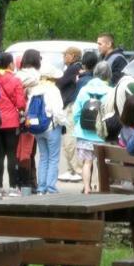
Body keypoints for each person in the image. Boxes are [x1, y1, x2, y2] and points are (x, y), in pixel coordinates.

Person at [23, 62, 65, 195]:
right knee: (53, 158)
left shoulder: (34, 89)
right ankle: (51, 187)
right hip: (51, 126)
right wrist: (64, 122)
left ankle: (41, 187)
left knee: (43, 157)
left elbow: (28, 109)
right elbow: (57, 111)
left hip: (38, 128)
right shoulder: (53, 90)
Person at [72, 62, 112, 193]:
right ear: (108, 75)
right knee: (101, 164)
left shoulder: (84, 90)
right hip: (102, 134)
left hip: (84, 134)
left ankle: (87, 188)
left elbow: (76, 112)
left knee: (87, 163)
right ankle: (100, 187)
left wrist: (79, 124)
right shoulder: (110, 92)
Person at [0, 51, 28, 193]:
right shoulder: (15, 80)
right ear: (10, 64)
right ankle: (13, 187)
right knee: (12, 154)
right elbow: (20, 104)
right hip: (11, 122)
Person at [56, 46, 85, 182]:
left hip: (70, 106)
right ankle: (71, 169)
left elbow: (60, 83)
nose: (63, 56)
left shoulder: (73, 68)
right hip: (70, 105)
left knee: (69, 138)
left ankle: (76, 170)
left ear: (73, 55)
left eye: (65, 54)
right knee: (69, 137)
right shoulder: (75, 68)